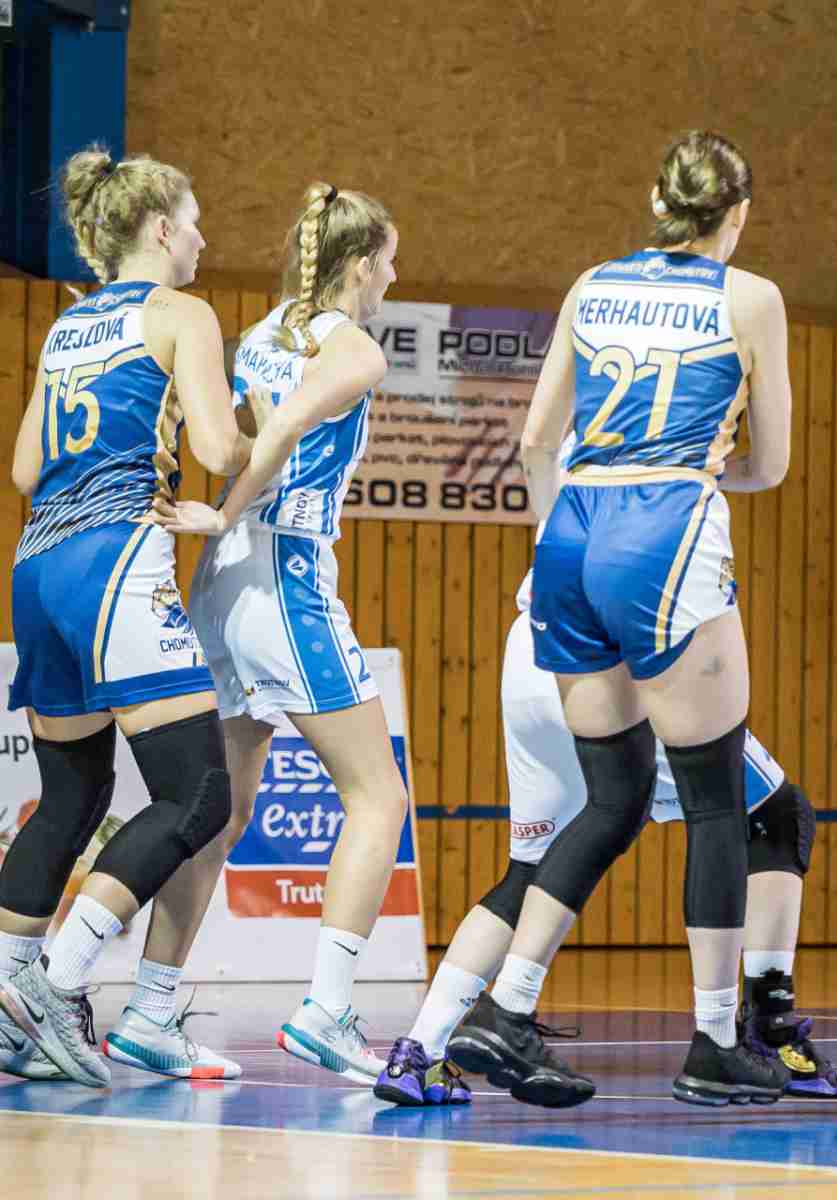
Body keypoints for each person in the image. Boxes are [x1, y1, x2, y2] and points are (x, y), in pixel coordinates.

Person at [445, 130, 794, 1108]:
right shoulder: (750, 296)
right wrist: (706, 469)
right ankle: (715, 1042)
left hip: (570, 531)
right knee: (717, 802)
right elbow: (770, 464)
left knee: (613, 797)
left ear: (656, 200)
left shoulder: (593, 283)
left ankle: (507, 1007)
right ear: (737, 214)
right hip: (663, 525)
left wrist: (565, 540)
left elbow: (534, 441)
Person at [372, 562, 837, 1105]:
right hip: (618, 647)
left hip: (535, 644)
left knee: (532, 870)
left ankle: (417, 1054)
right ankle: (764, 1033)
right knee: (772, 814)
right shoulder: (669, 513)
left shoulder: (577, 505)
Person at [0, 147, 250, 1088]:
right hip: (114, 562)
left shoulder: (69, 326)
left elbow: (25, 469)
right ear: (160, 228)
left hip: (38, 566)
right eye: (195, 223)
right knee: (200, 795)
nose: (203, 240)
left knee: (71, 797)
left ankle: (7, 997)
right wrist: (272, 428)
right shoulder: (182, 314)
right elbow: (219, 448)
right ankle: (58, 980)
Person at [153, 181, 404, 1083]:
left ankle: (148, 1005)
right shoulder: (354, 348)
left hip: (223, 583)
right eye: (389, 261)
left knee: (223, 809)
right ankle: (328, 1010)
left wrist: (221, 519)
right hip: (282, 567)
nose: (393, 277)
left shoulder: (258, 335)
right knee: (379, 798)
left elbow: (227, 427)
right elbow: (289, 424)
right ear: (359, 264)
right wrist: (225, 513)